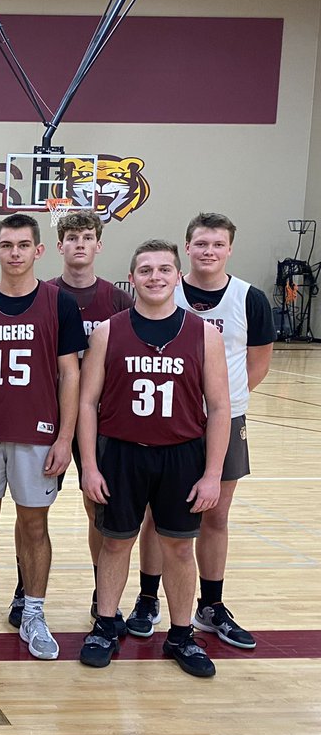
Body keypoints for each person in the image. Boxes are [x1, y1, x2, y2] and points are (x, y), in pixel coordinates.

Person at [78, 240, 228, 677]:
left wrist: (213, 474)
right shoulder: (108, 330)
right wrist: (89, 464)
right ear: (132, 278)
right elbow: (88, 403)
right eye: (146, 270)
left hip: (182, 455)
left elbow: (219, 407)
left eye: (165, 269)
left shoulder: (204, 334)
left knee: (180, 547)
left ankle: (181, 635)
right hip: (122, 452)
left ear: (178, 276)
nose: (155, 277)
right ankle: (106, 625)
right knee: (115, 541)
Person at [129, 213, 274, 647]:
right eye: (201, 243)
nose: (209, 251)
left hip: (223, 421)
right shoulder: (164, 286)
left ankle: (211, 605)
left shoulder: (250, 298)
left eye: (217, 244)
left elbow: (259, 362)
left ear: (230, 249)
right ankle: (147, 597)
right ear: (186, 248)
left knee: (215, 513)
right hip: (166, 418)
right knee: (157, 514)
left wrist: (220, 406)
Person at [0, 214, 86, 660]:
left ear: (37, 251)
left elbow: (71, 374)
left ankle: (33, 613)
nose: (14, 253)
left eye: (23, 245)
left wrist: (66, 438)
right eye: (6, 245)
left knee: (33, 525)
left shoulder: (59, 304)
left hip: (38, 436)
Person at [19, 211, 133, 628]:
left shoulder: (119, 301)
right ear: (60, 246)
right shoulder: (42, 294)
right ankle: (23, 588)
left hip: (104, 422)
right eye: (72, 237)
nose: (80, 244)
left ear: (98, 245)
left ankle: (103, 594)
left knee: (98, 509)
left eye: (88, 237)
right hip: (47, 416)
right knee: (33, 513)